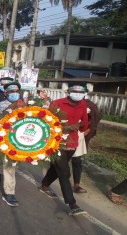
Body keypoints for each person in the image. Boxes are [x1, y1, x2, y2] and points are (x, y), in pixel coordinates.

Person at [38, 82, 89, 216]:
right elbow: (47, 121)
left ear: (84, 94)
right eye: (75, 92)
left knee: (57, 168)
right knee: (64, 172)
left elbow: (84, 124)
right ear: (68, 92)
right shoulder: (57, 103)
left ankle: (44, 185)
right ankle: (72, 204)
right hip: (57, 142)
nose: (77, 95)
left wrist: (79, 125)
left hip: (72, 143)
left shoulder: (83, 105)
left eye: (81, 92)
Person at [0, 82, 24, 207]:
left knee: (16, 165)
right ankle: (9, 193)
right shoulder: (1, 105)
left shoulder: (26, 106)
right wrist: (13, 107)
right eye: (11, 92)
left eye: (16, 91)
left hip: (22, 140)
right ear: (6, 93)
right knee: (10, 166)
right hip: (7, 139)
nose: (14, 94)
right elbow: (1, 119)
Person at [71, 95, 101, 193]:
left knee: (77, 160)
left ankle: (76, 185)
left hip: (79, 135)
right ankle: (47, 182)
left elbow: (94, 120)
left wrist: (88, 129)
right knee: (60, 160)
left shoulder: (89, 106)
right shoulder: (65, 103)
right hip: (65, 134)